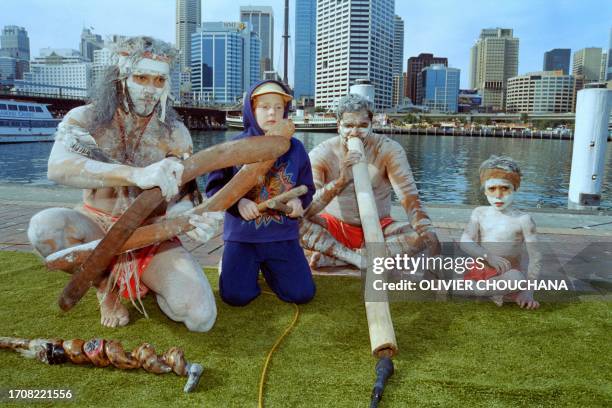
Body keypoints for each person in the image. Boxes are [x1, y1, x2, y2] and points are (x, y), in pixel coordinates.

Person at [27, 36, 219, 330]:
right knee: (44, 226)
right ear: (120, 78)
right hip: (96, 227)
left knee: (200, 318)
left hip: (150, 234)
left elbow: (184, 197)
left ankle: (147, 281)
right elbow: (58, 167)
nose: (150, 89)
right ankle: (107, 288)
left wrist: (193, 221)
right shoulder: (86, 119)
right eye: (141, 77)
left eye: (159, 80)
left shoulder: (175, 133)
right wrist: (135, 174)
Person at [205, 80, 316, 306]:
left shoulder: (296, 148)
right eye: (264, 107)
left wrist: (299, 200)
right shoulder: (233, 147)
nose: (272, 113)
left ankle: (269, 268)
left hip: (282, 237)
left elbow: (308, 187)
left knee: (302, 294)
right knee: (236, 297)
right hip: (243, 237)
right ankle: (232, 263)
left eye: (278, 107)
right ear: (251, 109)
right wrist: (238, 203)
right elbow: (213, 189)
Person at [300, 94, 439, 269]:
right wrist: (341, 181)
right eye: (348, 126)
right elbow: (306, 208)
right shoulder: (322, 153)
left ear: (372, 125)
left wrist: (429, 234)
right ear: (338, 126)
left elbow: (410, 200)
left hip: (381, 228)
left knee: (420, 237)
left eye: (363, 126)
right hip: (333, 226)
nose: (355, 132)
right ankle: (356, 257)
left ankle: (341, 257)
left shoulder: (389, 150)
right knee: (293, 224)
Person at [459, 155, 540, 309]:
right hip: (479, 274)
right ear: (485, 191)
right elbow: (465, 241)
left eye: (505, 188)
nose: (498, 195)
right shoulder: (479, 213)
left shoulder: (523, 219)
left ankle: (494, 292)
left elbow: (535, 257)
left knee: (517, 279)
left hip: (507, 274)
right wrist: (488, 256)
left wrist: (528, 292)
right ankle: (490, 292)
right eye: (492, 189)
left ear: (515, 188)